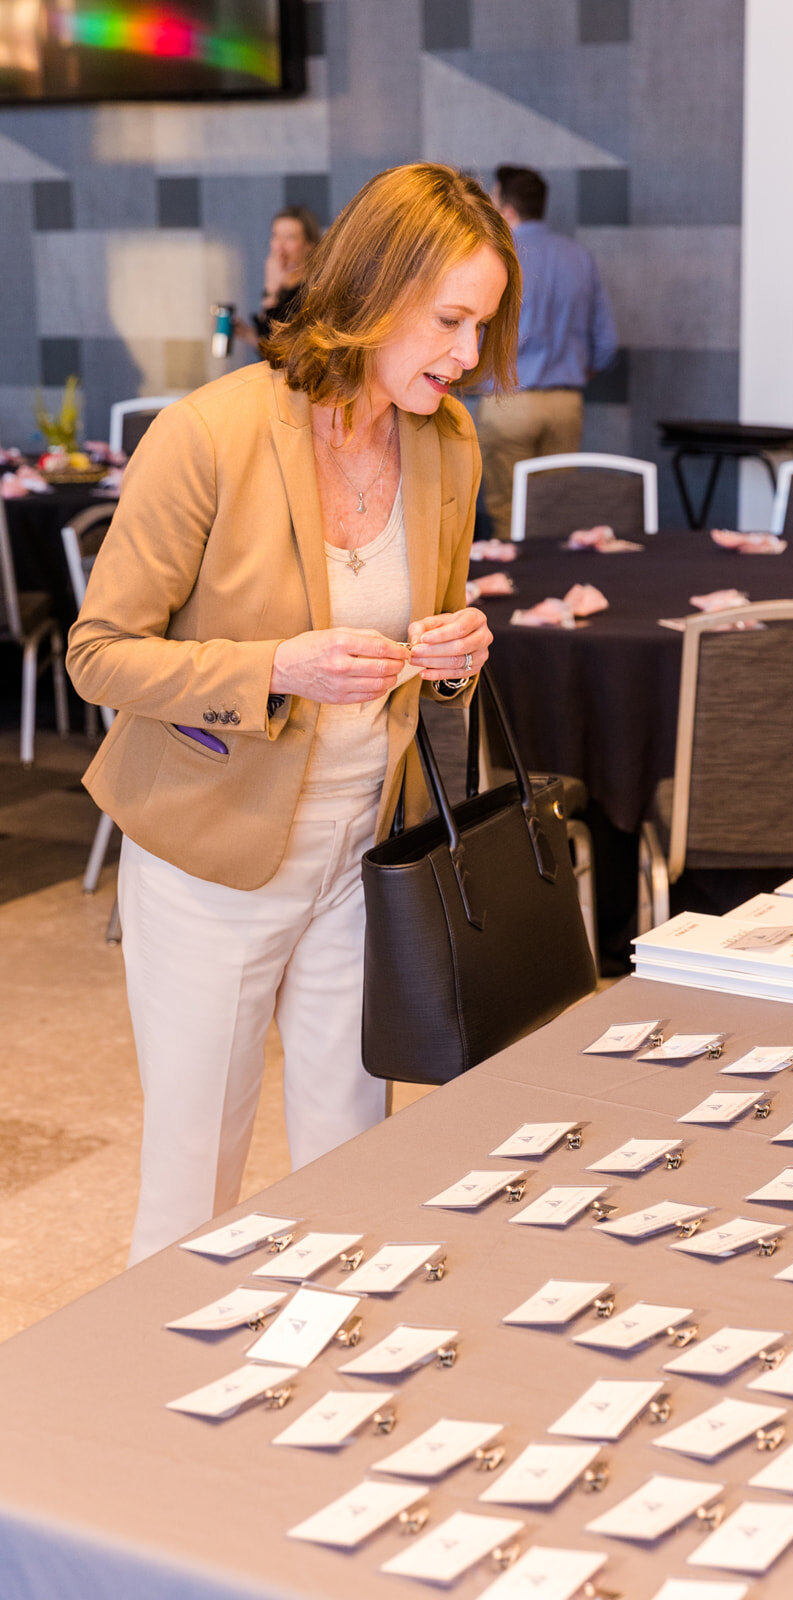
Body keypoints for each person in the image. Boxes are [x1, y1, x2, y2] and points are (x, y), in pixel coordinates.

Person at [67, 164, 521, 1264]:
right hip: (210, 860)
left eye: (483, 326)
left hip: (361, 852)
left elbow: (425, 635)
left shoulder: (447, 442)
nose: (467, 356)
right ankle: (157, 1416)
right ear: (375, 290)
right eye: (450, 321)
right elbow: (99, 656)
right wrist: (277, 665)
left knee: (351, 1163)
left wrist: (456, 652)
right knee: (194, 1183)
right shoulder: (209, 433)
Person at [476, 164, 618, 539]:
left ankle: (517, 589)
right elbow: (606, 344)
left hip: (509, 401)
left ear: (507, 210)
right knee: (553, 513)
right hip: (565, 405)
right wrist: (578, 371)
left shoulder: (498, 257)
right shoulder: (579, 257)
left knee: (509, 515)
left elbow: (474, 333)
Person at [233, 204, 322, 351]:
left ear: (309, 245)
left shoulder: (315, 289)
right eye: (275, 236)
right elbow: (270, 344)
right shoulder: (283, 283)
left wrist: (271, 292)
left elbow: (283, 347)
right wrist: (248, 334)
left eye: (289, 238)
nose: (279, 246)